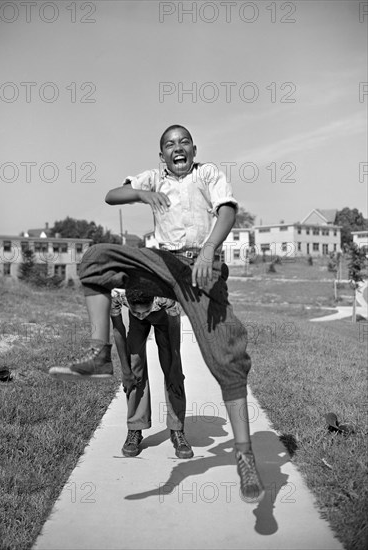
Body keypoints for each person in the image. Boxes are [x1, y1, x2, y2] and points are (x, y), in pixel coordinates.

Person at [49, 124, 264, 503]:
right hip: (162, 262)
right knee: (97, 259)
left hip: (201, 265)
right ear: (161, 154)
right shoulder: (153, 178)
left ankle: (244, 456)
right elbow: (111, 195)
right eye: (169, 144)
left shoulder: (207, 173)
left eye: (183, 143)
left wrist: (210, 249)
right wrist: (141, 193)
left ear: (194, 149)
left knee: (226, 357)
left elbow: (227, 210)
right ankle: (100, 356)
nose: (177, 148)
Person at [110, 287, 193, 459]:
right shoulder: (117, 294)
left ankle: (177, 430)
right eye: (136, 312)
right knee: (134, 369)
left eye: (144, 312)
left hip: (165, 318)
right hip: (138, 320)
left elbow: (174, 335)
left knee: (173, 371)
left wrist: (176, 368)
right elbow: (118, 330)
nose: (142, 315)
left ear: (153, 301)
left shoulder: (167, 296)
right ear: (128, 303)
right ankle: (135, 428)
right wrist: (125, 372)